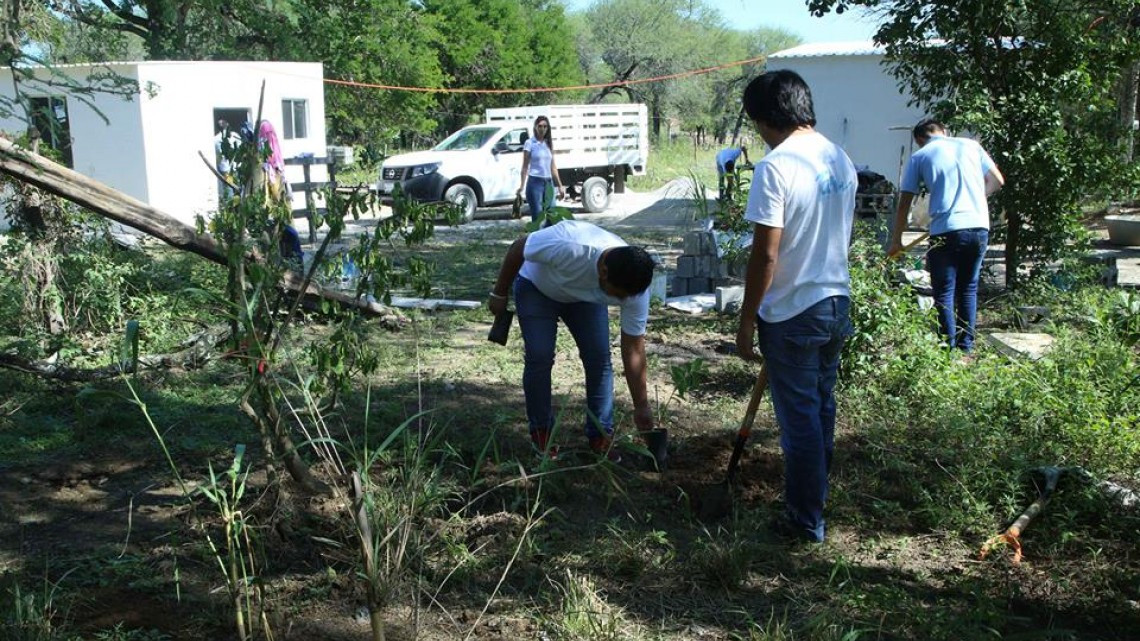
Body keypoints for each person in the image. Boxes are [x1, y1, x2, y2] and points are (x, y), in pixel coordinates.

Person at [734, 70, 857, 543]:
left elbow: (765, 254)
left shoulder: (776, 166)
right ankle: (814, 502)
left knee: (800, 420)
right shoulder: (838, 156)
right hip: (835, 301)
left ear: (766, 118)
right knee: (822, 408)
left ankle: (805, 520)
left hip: (792, 313)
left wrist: (747, 324)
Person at [488, 220, 656, 461]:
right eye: (617, 297)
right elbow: (517, 248)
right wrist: (499, 293)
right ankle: (542, 434)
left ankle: (600, 435)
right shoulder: (570, 244)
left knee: (599, 359)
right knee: (540, 356)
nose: (623, 301)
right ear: (604, 272)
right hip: (537, 288)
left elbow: (634, 350)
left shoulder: (635, 289)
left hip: (585, 300)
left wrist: (641, 406)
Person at [889, 119, 1005, 352]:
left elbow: (904, 203)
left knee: (944, 290)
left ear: (920, 140)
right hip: (979, 225)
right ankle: (966, 346)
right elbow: (998, 181)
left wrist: (897, 240)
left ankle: (947, 349)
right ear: (944, 131)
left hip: (947, 229)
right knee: (968, 287)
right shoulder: (971, 145)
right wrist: (976, 199)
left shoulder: (921, 156)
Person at [517, 115, 565, 223]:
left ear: (548, 128)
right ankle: (537, 239)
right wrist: (521, 186)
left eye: (545, 126)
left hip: (548, 182)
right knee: (538, 218)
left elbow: (553, 167)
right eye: (540, 126)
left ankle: (550, 239)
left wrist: (560, 186)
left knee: (552, 216)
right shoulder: (530, 143)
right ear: (535, 127)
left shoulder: (548, 144)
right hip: (535, 182)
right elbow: (525, 167)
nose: (542, 129)